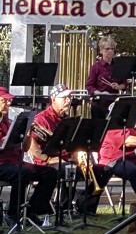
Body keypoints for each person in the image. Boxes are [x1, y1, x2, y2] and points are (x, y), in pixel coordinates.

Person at [29, 83, 113, 215]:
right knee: (68, 168)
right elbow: (31, 143)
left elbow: (74, 144)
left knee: (104, 170)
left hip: (67, 160)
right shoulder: (42, 118)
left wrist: (81, 155)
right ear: (53, 99)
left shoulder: (68, 119)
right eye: (64, 98)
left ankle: (84, 206)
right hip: (48, 163)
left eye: (69, 97)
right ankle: (63, 208)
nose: (68, 101)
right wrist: (46, 159)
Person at [0, 86, 57, 225]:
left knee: (50, 173)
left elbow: (24, 148)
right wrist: (11, 137)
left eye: (9, 101)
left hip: (16, 162)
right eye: (4, 100)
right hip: (2, 164)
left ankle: (32, 211)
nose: (8, 103)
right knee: (22, 173)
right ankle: (12, 214)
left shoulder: (8, 120)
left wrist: (26, 133)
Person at [97, 101, 136, 196]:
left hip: (129, 158)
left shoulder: (130, 126)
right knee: (134, 171)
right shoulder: (112, 127)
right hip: (112, 161)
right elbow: (128, 141)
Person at [86, 36, 130, 119]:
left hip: (114, 103)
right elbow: (89, 86)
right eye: (107, 49)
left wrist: (119, 86)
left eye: (112, 49)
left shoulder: (118, 66)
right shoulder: (96, 67)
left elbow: (125, 83)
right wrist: (101, 93)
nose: (110, 51)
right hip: (99, 104)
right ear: (101, 50)